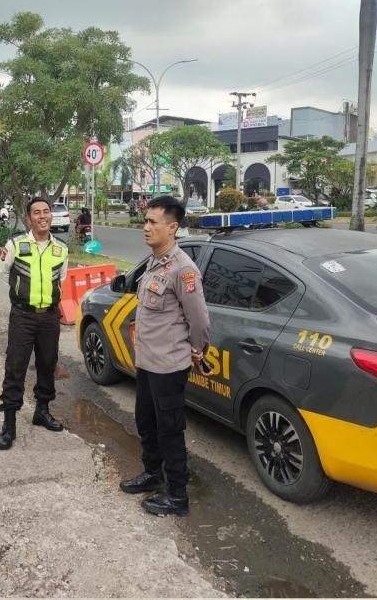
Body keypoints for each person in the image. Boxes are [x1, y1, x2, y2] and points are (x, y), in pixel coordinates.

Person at [119, 195, 210, 516]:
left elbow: (198, 320)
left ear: (172, 228)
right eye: (145, 221)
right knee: (146, 421)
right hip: (146, 362)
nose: (146, 227)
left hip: (169, 366)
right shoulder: (155, 263)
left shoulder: (183, 270)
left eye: (152, 222)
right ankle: (152, 473)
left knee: (169, 429)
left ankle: (177, 495)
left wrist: (198, 349)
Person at [0, 197, 69, 450]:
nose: (42, 216)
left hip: (49, 317)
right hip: (23, 316)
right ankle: (9, 422)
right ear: (29, 219)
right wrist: (23, 294)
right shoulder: (16, 244)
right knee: (15, 365)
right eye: (37, 213)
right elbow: (4, 273)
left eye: (46, 212)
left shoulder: (61, 248)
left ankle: (42, 411)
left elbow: (62, 278)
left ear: (51, 216)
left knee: (47, 363)